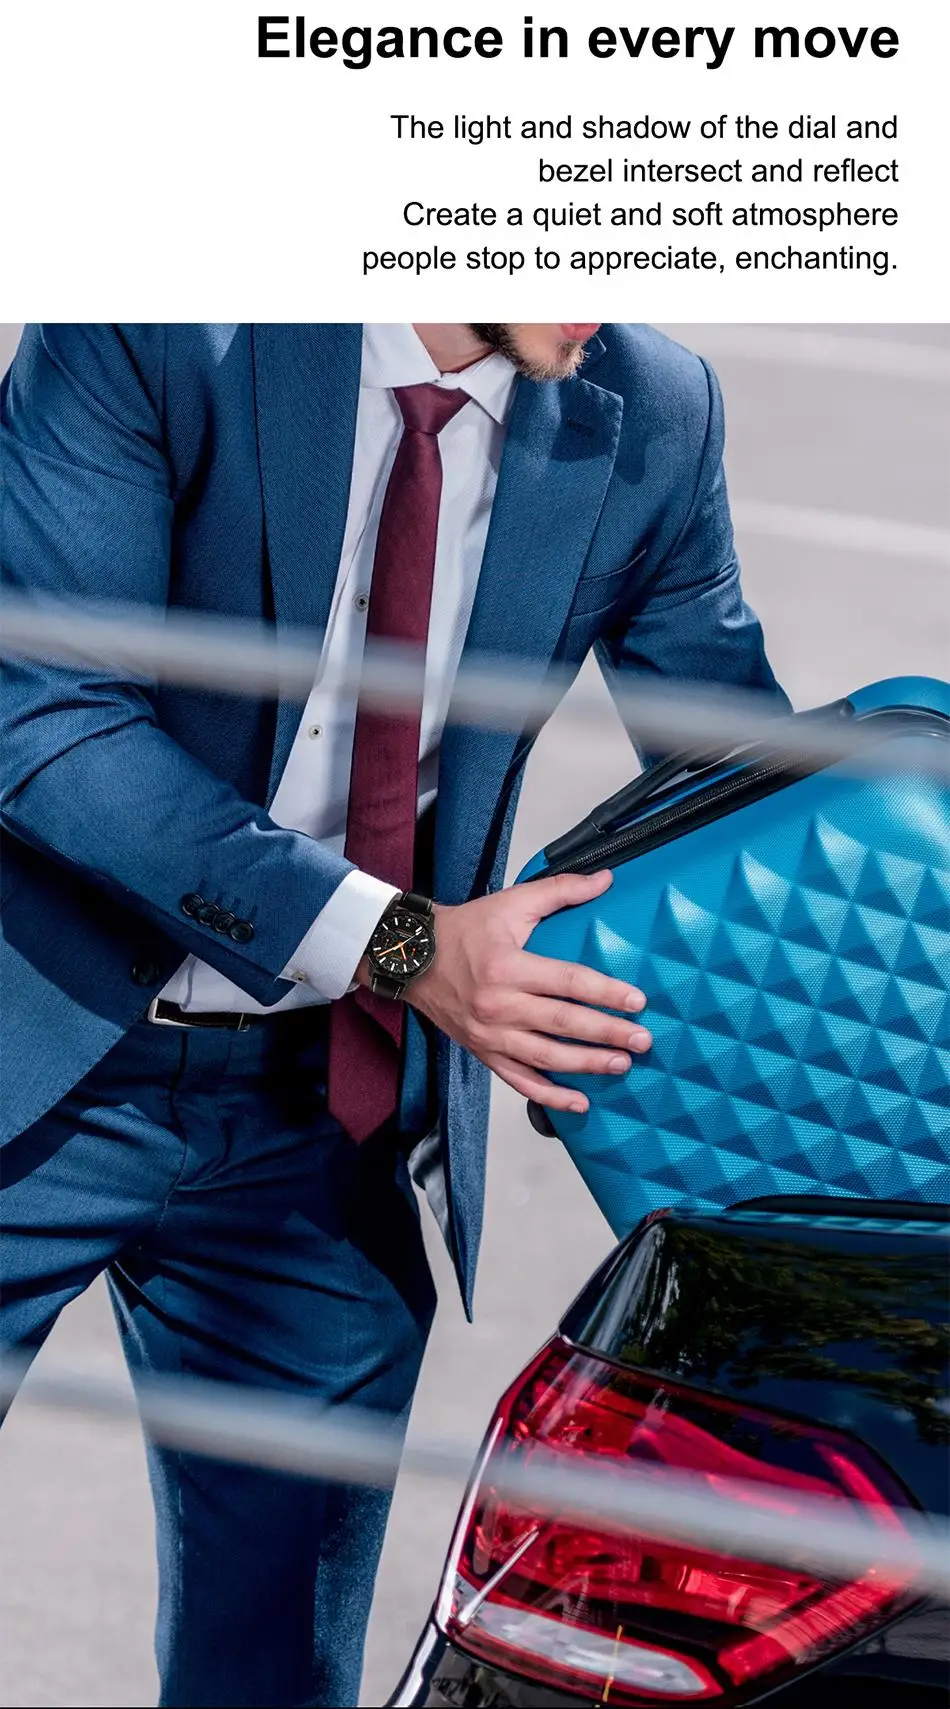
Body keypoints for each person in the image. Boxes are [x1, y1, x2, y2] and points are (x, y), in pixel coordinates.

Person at [0, 322, 788, 1707]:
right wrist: (408, 947)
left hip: (323, 1115)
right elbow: (48, 722)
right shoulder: (156, 323)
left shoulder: (652, 408)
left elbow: (743, 793)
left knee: (274, 1678)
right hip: (40, 1053)